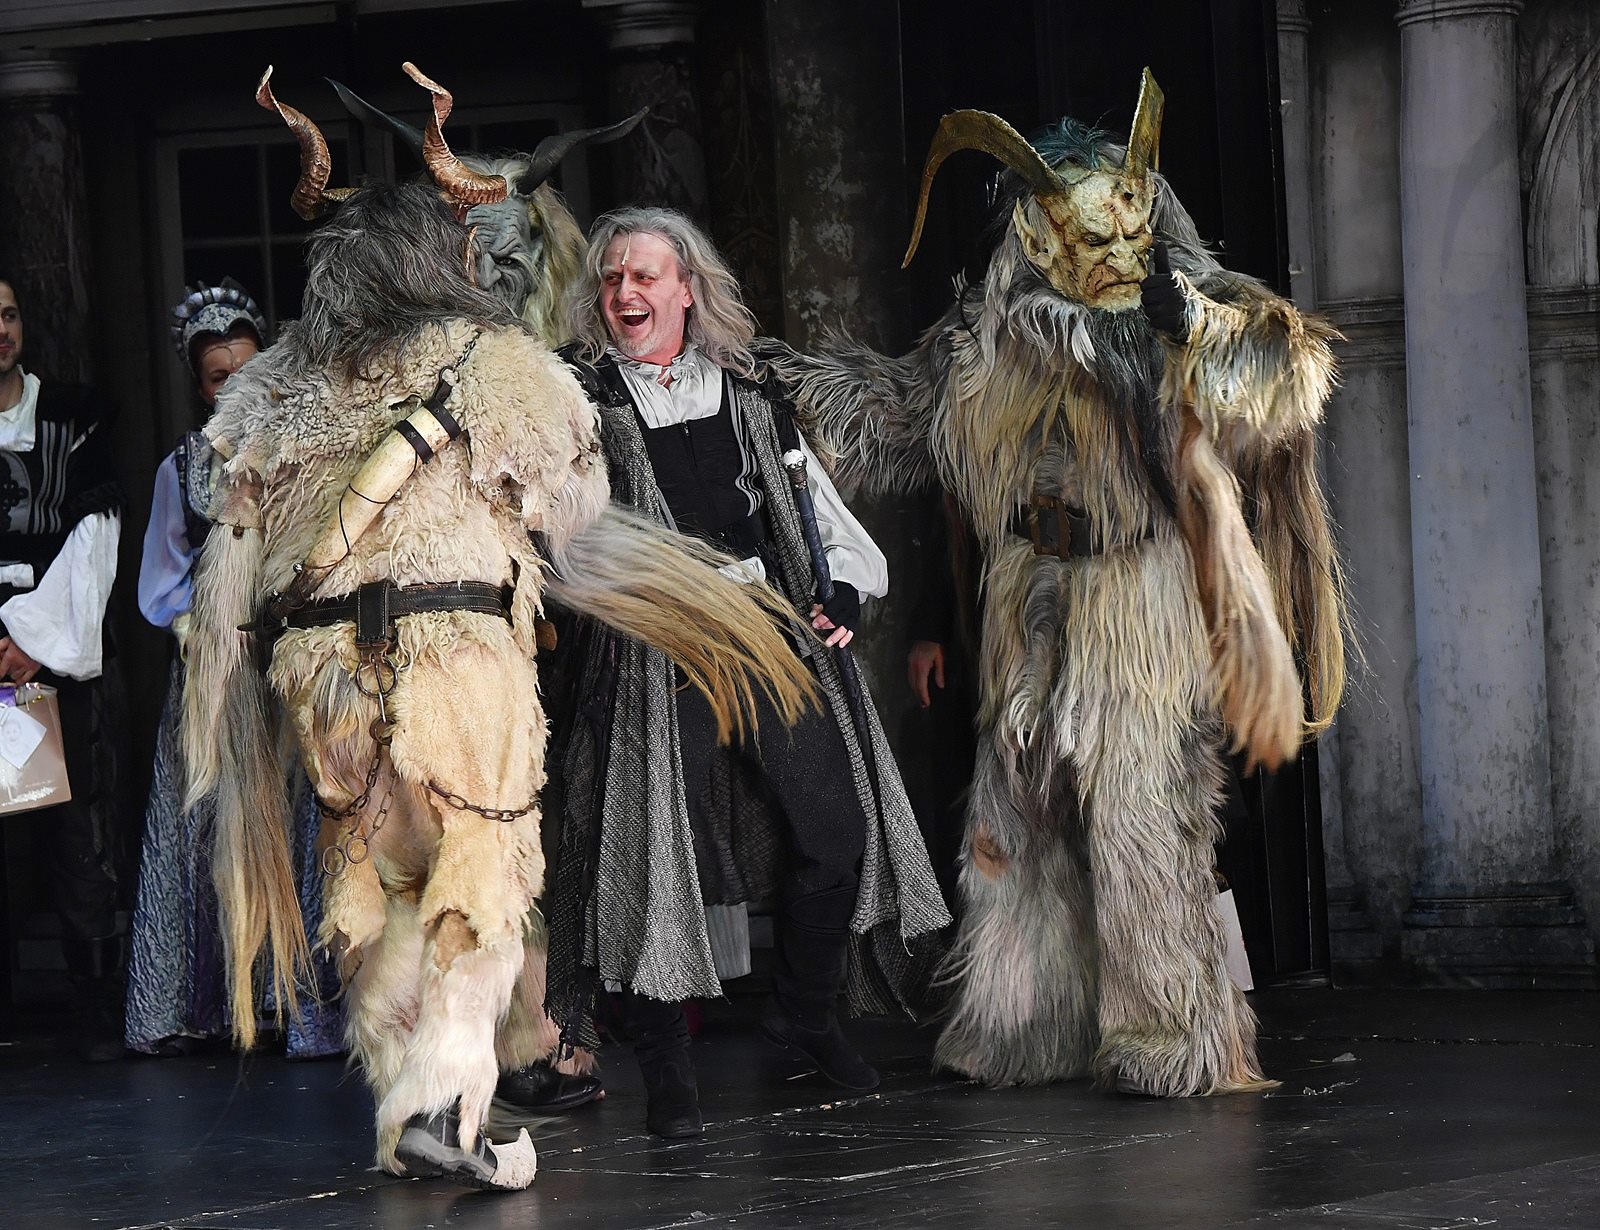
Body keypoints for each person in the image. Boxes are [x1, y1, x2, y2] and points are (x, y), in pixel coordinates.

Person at [184, 65, 814, 1191]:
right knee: (483, 870)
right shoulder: (496, 363)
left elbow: (224, 517)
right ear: (444, 262)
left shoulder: (273, 384)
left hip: (323, 682)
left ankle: (402, 1116)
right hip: (456, 666)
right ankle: (450, 1105)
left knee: (376, 887)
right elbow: (572, 507)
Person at [772, 75, 1348, 1097]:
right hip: (1025, 592)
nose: (1115, 253)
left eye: (1129, 228)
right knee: (1017, 810)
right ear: (1035, 234)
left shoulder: (1182, 308)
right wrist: (777, 379)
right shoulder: (986, 336)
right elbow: (899, 417)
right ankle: (1022, 1028)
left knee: (1138, 805)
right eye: (1089, 233)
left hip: (1136, 590)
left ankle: (1172, 1036)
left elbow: (1287, 380)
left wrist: (1198, 329)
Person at [544, 207, 950, 1140]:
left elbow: (812, 510)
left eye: (644, 276)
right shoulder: (579, 399)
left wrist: (841, 593)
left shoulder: (749, 391)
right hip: (650, 643)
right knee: (653, 853)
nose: (624, 292)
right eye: (612, 277)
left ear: (687, 289)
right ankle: (667, 1071)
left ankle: (804, 1015)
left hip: (760, 627)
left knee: (836, 829)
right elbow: (556, 532)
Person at [125, 280, 341, 1059]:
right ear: (201, 385)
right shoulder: (184, 467)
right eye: (220, 376)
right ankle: (203, 1006)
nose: (235, 385)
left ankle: (299, 1007)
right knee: (205, 827)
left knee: (293, 823)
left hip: (283, 667)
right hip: (213, 675)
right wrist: (196, 622)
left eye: (246, 370)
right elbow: (160, 578)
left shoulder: (298, 458)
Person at [0, 274, 127, 1062]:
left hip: (45, 644)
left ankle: (92, 1006)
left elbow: (94, 538)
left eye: (8, 314)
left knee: (69, 821)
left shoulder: (73, 418)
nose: (0, 330)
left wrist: (31, 644)